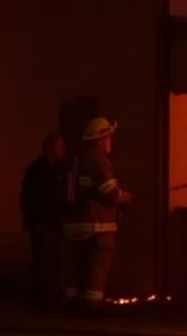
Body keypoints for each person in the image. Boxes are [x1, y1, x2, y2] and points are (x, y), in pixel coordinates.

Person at [63, 116, 133, 312]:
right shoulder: (98, 160)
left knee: (76, 270)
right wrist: (127, 197)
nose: (110, 141)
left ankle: (72, 305)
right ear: (101, 140)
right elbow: (110, 194)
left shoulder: (77, 159)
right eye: (109, 137)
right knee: (97, 268)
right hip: (96, 227)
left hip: (74, 225)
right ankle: (92, 307)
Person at [19, 132, 68, 309]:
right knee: (43, 262)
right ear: (49, 148)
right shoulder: (36, 171)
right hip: (42, 224)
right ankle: (42, 299)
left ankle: (52, 296)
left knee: (56, 262)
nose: (62, 150)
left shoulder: (61, 170)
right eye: (59, 146)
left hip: (56, 224)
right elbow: (27, 199)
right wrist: (34, 223)